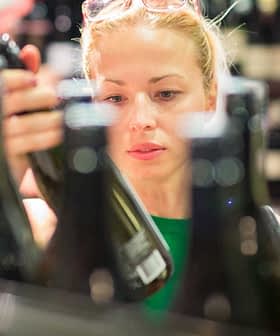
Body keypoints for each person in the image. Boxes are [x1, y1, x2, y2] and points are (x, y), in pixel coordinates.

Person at [1, 0, 228, 314]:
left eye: (165, 93)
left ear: (210, 98)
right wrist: (5, 178)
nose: (141, 119)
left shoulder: (253, 242)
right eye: (115, 98)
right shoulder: (47, 233)